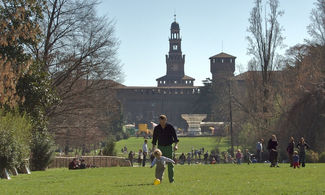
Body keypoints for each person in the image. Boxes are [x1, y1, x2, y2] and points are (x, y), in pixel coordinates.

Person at [152, 115, 179, 183]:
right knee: (159, 165)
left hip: (169, 147)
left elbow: (175, 137)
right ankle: (158, 179)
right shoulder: (157, 128)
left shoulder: (170, 127)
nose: (162, 123)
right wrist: (153, 148)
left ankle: (171, 180)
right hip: (160, 148)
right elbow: (154, 139)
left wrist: (176, 145)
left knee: (170, 164)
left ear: (165, 120)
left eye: (163, 121)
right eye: (160, 121)